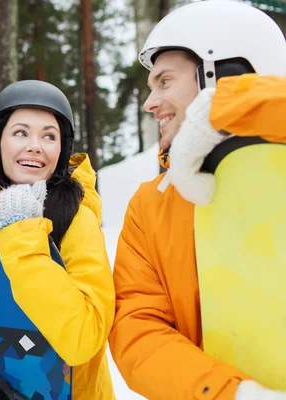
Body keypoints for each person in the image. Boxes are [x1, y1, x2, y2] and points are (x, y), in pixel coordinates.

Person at [108, 2, 286, 399]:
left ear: (222, 73)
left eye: (165, 82)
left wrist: (224, 107)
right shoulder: (150, 206)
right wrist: (231, 394)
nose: (149, 103)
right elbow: (137, 329)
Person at [0, 80, 115, 399]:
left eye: (49, 136)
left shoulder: (78, 220)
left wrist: (21, 236)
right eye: (21, 132)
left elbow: (82, 339)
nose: (35, 145)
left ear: (62, 149)